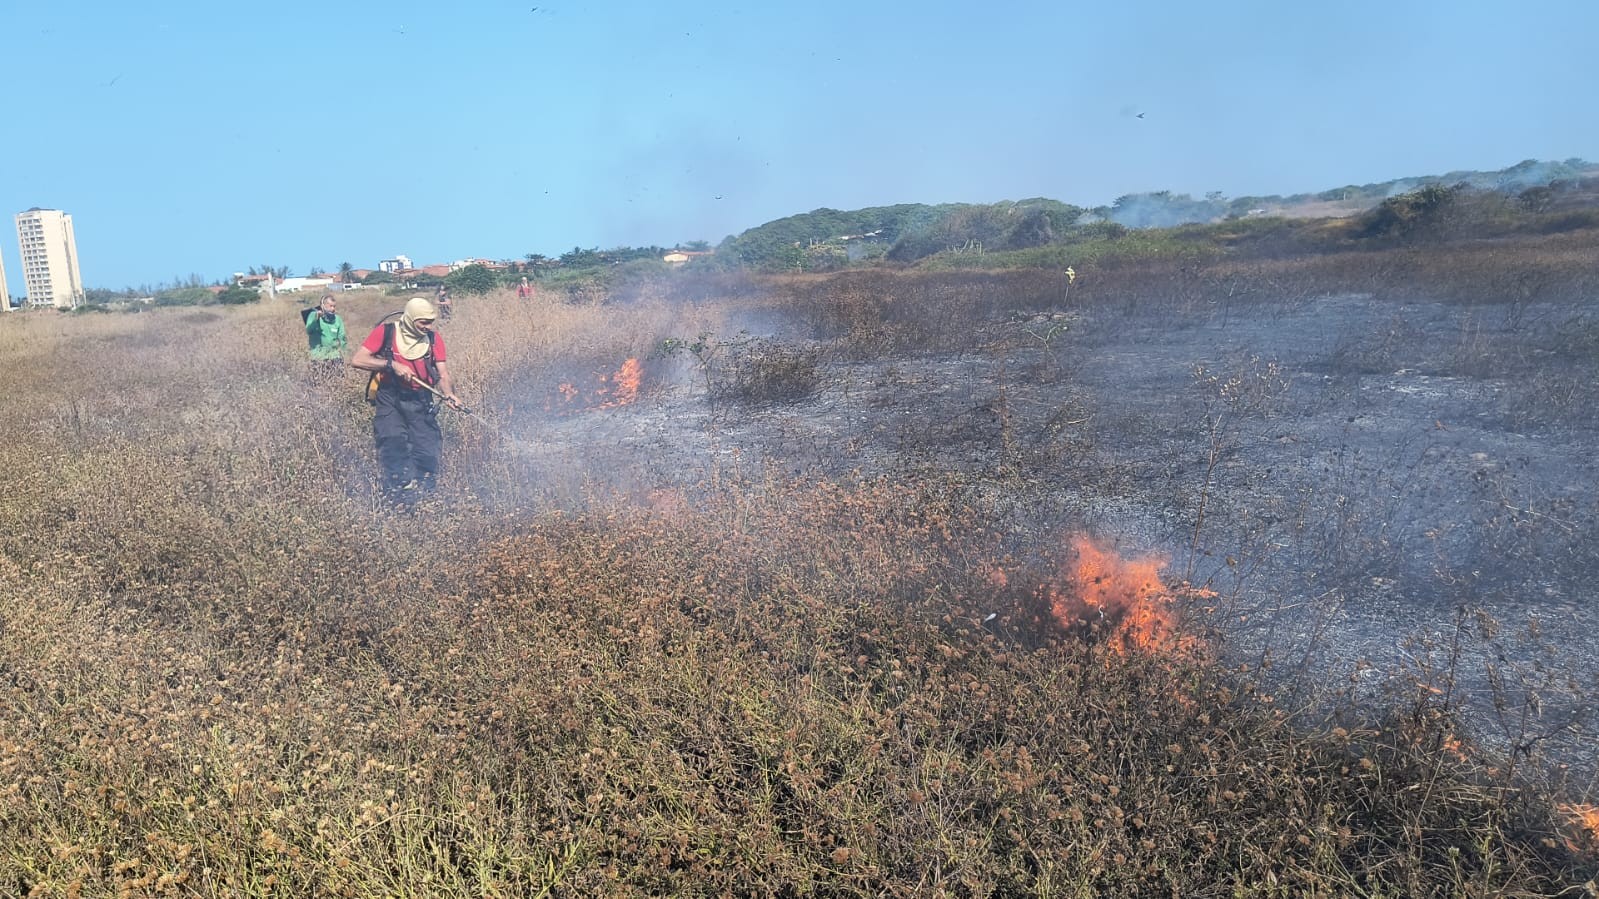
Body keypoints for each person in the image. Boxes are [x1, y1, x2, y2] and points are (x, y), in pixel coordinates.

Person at [350, 297, 462, 503]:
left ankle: (427, 497)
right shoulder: (386, 332)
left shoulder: (434, 339)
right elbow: (357, 359)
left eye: (431, 322)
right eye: (424, 322)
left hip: (420, 399)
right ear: (410, 319)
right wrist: (391, 365)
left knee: (428, 450)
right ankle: (401, 495)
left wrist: (449, 393)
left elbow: (443, 374)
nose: (429, 327)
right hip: (390, 397)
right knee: (392, 440)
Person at [304, 294, 348, 377]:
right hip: (318, 357)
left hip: (334, 356)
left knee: (338, 380)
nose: (333, 309)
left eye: (334, 306)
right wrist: (316, 319)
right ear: (323, 305)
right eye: (330, 306)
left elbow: (342, 337)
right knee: (319, 382)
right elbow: (309, 330)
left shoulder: (337, 319)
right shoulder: (313, 315)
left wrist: (344, 352)